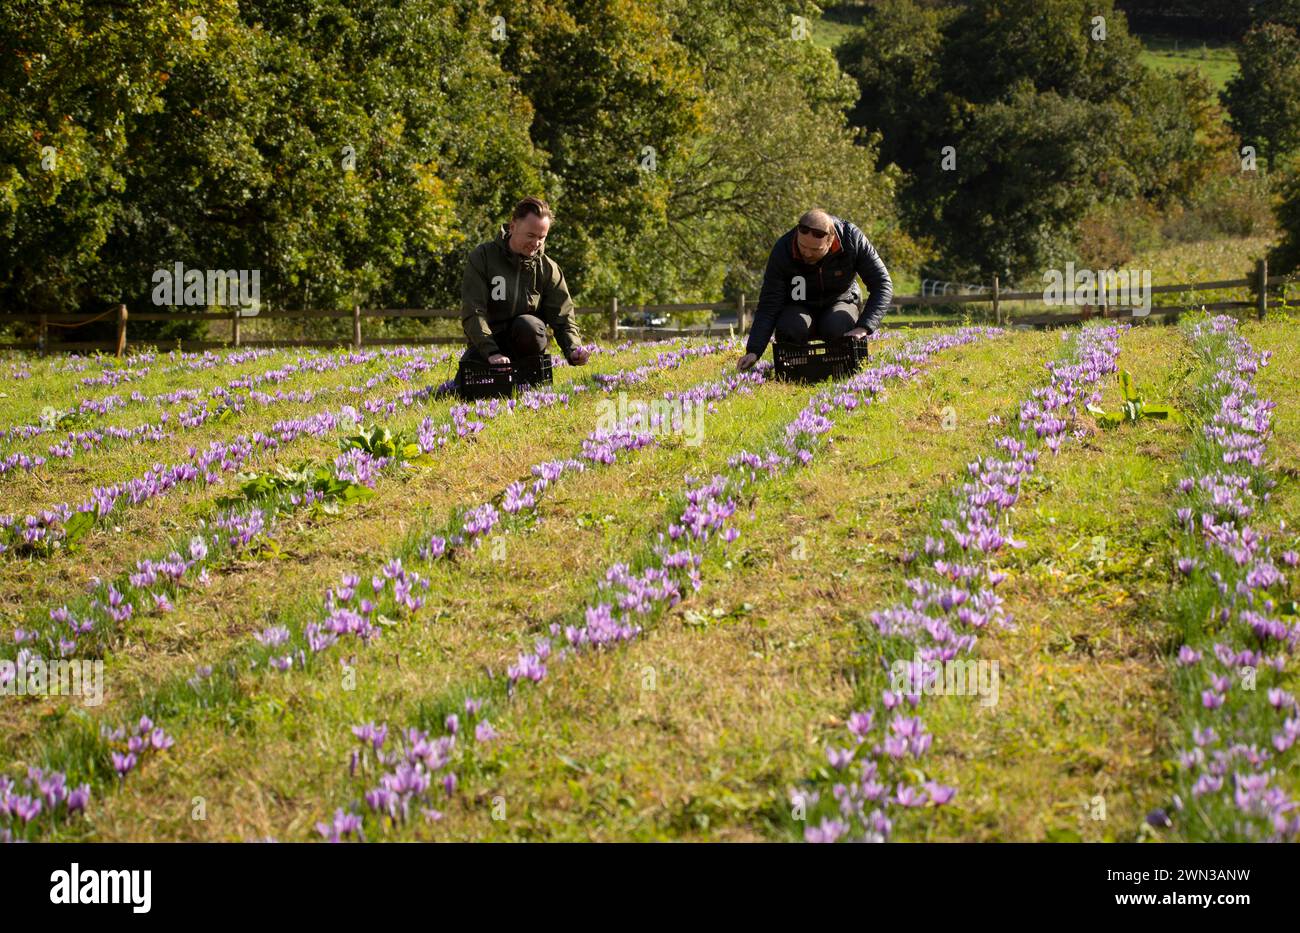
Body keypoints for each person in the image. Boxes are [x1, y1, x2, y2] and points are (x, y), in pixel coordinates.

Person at [737, 209, 892, 371]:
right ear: (797, 233)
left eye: (816, 250)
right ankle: (797, 372)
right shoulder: (782, 249)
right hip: (799, 306)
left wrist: (864, 327)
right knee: (790, 327)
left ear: (831, 241)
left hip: (840, 301)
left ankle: (840, 371)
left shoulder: (851, 238)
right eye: (802, 246)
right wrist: (754, 350)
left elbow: (882, 284)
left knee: (838, 326)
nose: (807, 253)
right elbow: (769, 304)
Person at [460, 196, 590, 368]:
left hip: (526, 345)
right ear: (513, 226)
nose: (535, 243)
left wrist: (573, 348)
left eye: (541, 237)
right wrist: (492, 352)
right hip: (487, 346)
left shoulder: (548, 268)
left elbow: (563, 317)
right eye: (530, 235)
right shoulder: (483, 257)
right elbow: (473, 311)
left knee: (529, 325)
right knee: (464, 389)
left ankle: (526, 374)